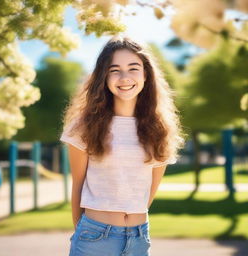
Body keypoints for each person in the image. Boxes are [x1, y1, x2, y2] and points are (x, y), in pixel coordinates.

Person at [59, 35, 185, 256]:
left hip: (139, 238)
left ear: (146, 75)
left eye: (133, 68)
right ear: (104, 77)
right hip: (94, 237)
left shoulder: (159, 129)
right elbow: (78, 185)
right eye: (114, 70)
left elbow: (148, 192)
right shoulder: (84, 126)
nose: (124, 77)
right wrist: (82, 230)